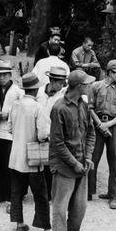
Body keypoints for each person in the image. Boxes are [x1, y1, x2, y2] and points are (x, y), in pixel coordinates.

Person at [49, 70, 96, 231]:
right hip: (65, 167)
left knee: (79, 207)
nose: (89, 86)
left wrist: (88, 157)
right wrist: (74, 163)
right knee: (60, 207)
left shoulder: (83, 105)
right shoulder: (59, 108)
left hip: (81, 165)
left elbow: (91, 133)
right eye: (86, 84)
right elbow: (57, 143)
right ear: (79, 86)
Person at [8, 73, 52, 231]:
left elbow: (10, 128)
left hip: (16, 155)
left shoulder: (15, 105)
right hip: (33, 156)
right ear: (35, 89)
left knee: (17, 191)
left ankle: (19, 223)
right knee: (40, 193)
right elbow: (42, 134)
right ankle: (46, 227)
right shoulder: (38, 108)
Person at [87, 59, 116, 208]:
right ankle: (88, 191)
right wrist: (99, 124)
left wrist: (108, 125)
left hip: (115, 125)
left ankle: (114, 196)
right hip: (97, 125)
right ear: (110, 72)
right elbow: (90, 107)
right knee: (92, 158)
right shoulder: (95, 86)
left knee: (115, 161)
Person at [0, 60, 23, 206]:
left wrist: (8, 115)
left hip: (10, 133)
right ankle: (0, 193)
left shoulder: (17, 91)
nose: (1, 78)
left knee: (8, 165)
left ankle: (11, 196)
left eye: (4, 75)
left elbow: (22, 110)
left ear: (10, 75)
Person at [35, 65, 68, 198]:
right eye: (60, 82)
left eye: (63, 82)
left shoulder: (62, 96)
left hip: (52, 134)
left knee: (50, 166)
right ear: (52, 81)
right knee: (35, 162)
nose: (62, 85)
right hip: (36, 132)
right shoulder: (39, 92)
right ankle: (36, 191)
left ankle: (49, 193)